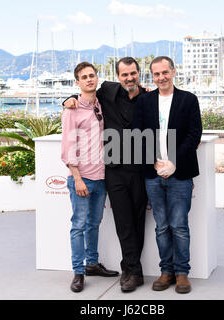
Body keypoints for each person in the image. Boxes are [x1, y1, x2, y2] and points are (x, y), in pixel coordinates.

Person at [63, 57, 148, 292]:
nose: (129, 78)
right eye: (124, 74)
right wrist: (67, 99)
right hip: (113, 173)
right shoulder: (107, 92)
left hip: (137, 171)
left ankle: (131, 269)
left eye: (133, 73)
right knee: (118, 223)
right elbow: (82, 94)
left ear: (139, 74)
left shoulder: (147, 97)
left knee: (136, 222)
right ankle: (126, 271)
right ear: (117, 76)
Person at [132, 56, 202, 294]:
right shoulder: (144, 101)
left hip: (180, 174)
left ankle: (182, 274)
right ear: (152, 76)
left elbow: (194, 134)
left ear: (173, 72)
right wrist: (154, 162)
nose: (161, 77)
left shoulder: (189, 100)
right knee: (161, 226)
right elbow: (136, 133)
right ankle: (166, 271)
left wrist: (174, 162)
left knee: (179, 225)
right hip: (152, 175)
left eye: (165, 72)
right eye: (156, 74)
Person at [61, 62, 119, 293]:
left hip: (101, 177)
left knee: (94, 224)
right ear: (77, 83)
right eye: (83, 77)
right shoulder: (71, 110)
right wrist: (77, 178)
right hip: (81, 179)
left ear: (96, 78)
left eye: (91, 75)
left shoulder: (101, 105)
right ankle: (78, 272)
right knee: (79, 225)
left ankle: (92, 264)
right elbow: (67, 148)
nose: (89, 79)